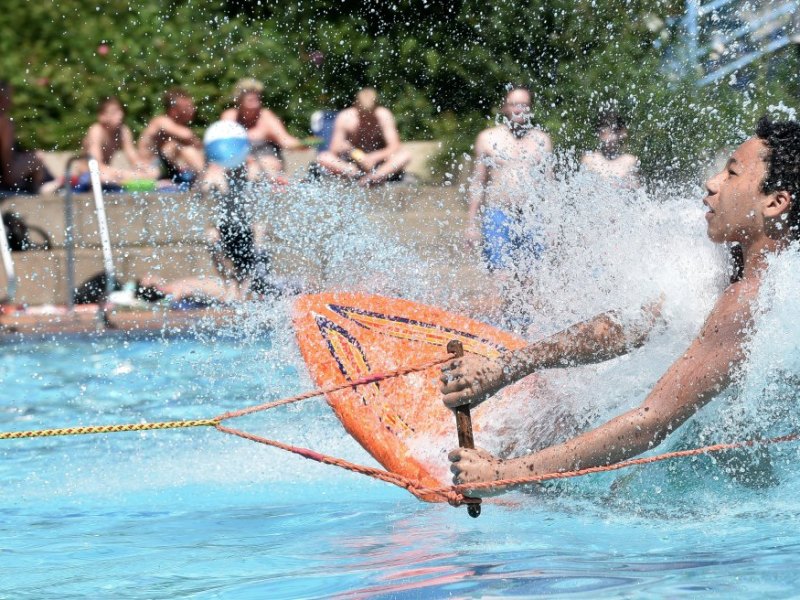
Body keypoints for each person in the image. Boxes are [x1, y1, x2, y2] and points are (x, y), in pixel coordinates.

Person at [442, 116, 800, 496]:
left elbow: (650, 422)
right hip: (730, 486)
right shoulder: (726, 265)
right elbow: (628, 326)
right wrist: (504, 369)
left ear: (775, 203)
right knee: (570, 410)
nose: (713, 183)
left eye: (731, 173)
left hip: (738, 505)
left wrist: (504, 475)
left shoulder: (752, 301)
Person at [465, 85, 553, 272]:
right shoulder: (488, 138)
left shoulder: (542, 140)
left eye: (523, 104)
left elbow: (549, 186)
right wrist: (471, 224)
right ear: (504, 107)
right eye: (514, 104)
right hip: (498, 213)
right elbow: (477, 183)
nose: (518, 109)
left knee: (531, 276)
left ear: (531, 108)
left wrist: (551, 224)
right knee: (500, 274)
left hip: (532, 215)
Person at [316, 87, 411, 186]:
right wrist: (352, 152)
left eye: (370, 114)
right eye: (362, 114)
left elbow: (394, 146)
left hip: (379, 164)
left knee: (404, 155)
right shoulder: (345, 117)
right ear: (356, 106)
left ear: (376, 107)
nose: (366, 119)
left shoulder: (384, 116)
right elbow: (334, 149)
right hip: (352, 164)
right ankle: (356, 175)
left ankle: (374, 177)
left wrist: (374, 157)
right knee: (323, 157)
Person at [219, 78, 306, 180]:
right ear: (240, 101)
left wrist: (304, 144)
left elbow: (285, 140)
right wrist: (247, 159)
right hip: (238, 160)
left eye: (257, 99)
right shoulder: (230, 116)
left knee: (263, 166)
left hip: (267, 158)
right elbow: (223, 145)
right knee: (217, 169)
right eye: (250, 99)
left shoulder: (266, 117)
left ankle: (275, 184)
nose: (255, 103)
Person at [80, 96, 159, 186]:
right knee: (105, 177)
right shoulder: (96, 131)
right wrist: (123, 173)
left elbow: (134, 160)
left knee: (153, 172)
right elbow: (96, 165)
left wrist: (146, 169)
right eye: (114, 112)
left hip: (108, 173)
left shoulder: (123, 131)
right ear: (102, 116)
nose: (120, 115)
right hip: (87, 174)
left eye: (120, 111)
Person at [138, 88, 204, 183]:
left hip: (164, 168)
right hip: (148, 167)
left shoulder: (175, 126)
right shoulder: (161, 121)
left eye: (192, 106)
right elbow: (187, 135)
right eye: (187, 107)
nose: (193, 110)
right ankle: (204, 175)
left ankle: (204, 175)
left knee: (180, 146)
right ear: (173, 110)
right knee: (180, 145)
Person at [0, 81, 51, 193]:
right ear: (2, 99)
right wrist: (10, 177)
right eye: (9, 97)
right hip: (6, 176)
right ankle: (39, 189)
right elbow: (6, 155)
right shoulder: (4, 122)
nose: (11, 101)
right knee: (38, 157)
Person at [581, 110, 639, 188]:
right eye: (605, 130)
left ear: (620, 134)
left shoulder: (629, 160)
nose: (611, 136)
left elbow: (636, 189)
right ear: (599, 134)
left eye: (614, 131)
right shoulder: (589, 159)